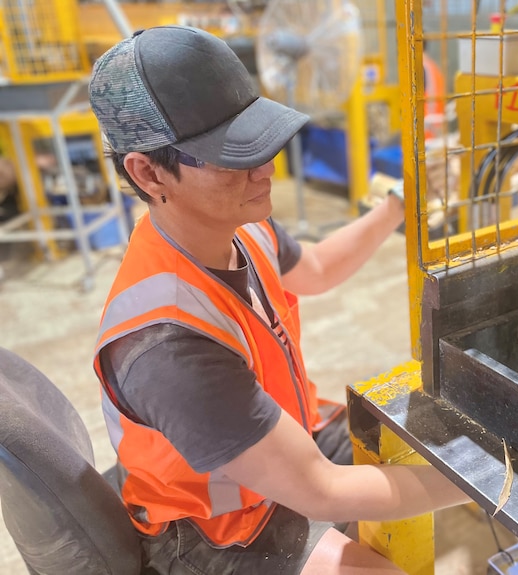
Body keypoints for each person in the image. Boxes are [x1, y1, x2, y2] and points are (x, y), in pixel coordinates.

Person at [89, 25, 469, 574]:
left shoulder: (240, 228)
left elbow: (314, 269)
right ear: (148, 172)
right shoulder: (165, 344)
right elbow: (321, 491)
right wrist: (492, 485)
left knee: (415, 432)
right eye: (233, 155)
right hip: (212, 530)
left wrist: (397, 205)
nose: (266, 168)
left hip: (280, 449)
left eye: (261, 142)